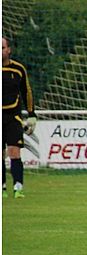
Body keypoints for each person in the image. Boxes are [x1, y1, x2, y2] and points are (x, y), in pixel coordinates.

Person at [2, 35, 37, 199]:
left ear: (9, 50)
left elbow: (27, 91)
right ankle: (2, 187)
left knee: (14, 152)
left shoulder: (18, 69)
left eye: (2, 48)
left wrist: (32, 115)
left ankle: (18, 187)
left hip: (13, 116)